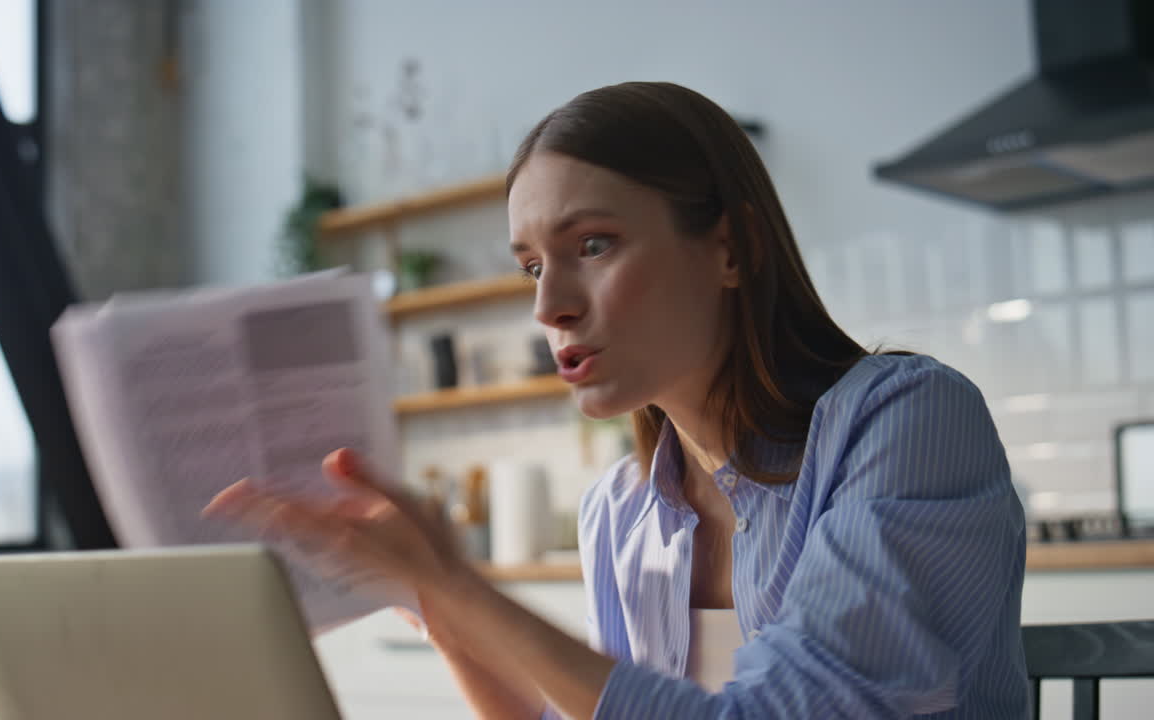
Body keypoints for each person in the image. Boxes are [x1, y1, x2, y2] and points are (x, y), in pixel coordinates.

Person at [205, 82, 1029, 719]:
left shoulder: (909, 421)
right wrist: (434, 600)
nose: (548, 306)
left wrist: (461, 590)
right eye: (532, 265)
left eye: (592, 245)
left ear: (731, 248)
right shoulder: (622, 513)